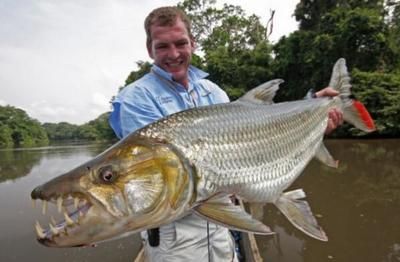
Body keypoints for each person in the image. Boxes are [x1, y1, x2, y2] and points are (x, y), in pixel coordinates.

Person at [109, 6, 343, 262]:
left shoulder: (213, 92)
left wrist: (313, 108)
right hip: (174, 237)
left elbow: (255, 132)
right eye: (163, 46)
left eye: (180, 43)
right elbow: (149, 183)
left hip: (221, 226)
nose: (173, 54)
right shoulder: (136, 99)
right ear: (149, 48)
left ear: (192, 43)